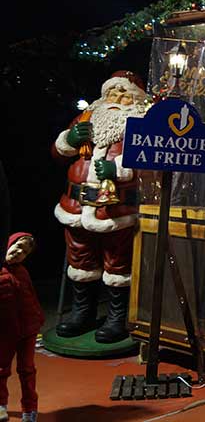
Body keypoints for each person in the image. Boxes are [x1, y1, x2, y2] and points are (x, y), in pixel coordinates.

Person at [51, 71, 149, 343]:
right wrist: (69, 141)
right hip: (76, 205)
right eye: (112, 93)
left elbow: (150, 163)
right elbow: (57, 154)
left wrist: (118, 169)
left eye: (124, 93)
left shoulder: (142, 123)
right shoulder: (86, 119)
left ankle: (117, 317)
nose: (117, 99)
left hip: (115, 209)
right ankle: (82, 312)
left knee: (118, 262)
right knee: (80, 259)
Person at [1, 233, 43, 422]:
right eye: (17, 247)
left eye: (24, 252)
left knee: (27, 370)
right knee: (1, 369)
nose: (19, 253)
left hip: (27, 329)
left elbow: (31, 297)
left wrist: (38, 319)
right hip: (4, 332)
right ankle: (1, 405)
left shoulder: (22, 272)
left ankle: (30, 408)